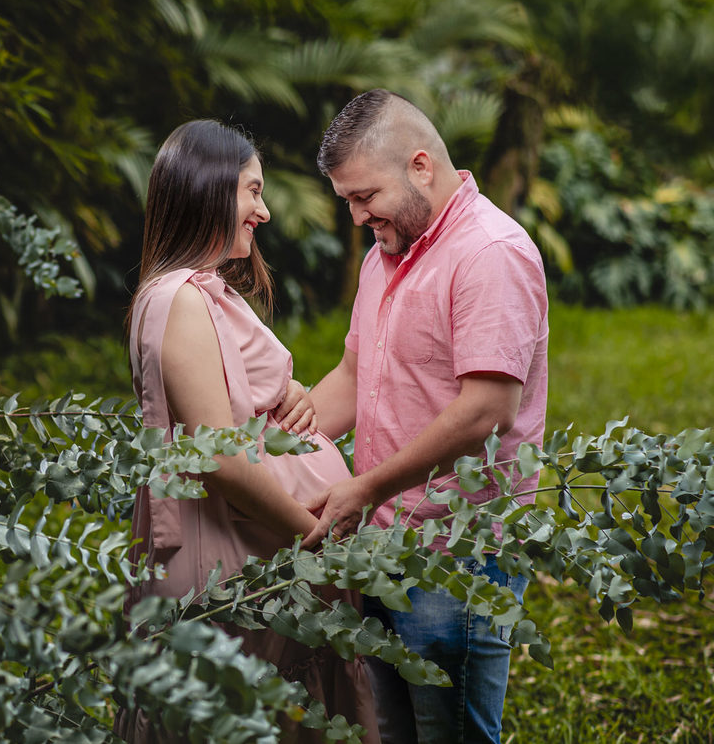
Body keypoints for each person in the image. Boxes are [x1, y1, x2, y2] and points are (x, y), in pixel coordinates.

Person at [116, 119, 378, 743]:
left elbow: (226, 399)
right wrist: (314, 535)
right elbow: (221, 460)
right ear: (207, 189)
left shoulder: (204, 292)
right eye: (252, 191)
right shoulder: (180, 298)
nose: (263, 212)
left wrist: (285, 390)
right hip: (231, 546)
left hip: (256, 543)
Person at [305, 89, 549, 743]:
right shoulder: (382, 257)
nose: (357, 216)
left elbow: (486, 411)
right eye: (347, 200)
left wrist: (366, 487)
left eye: (365, 196)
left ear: (420, 166)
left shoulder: (490, 253)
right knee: (391, 732)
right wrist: (269, 448)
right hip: (380, 543)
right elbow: (354, 376)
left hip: (457, 555)